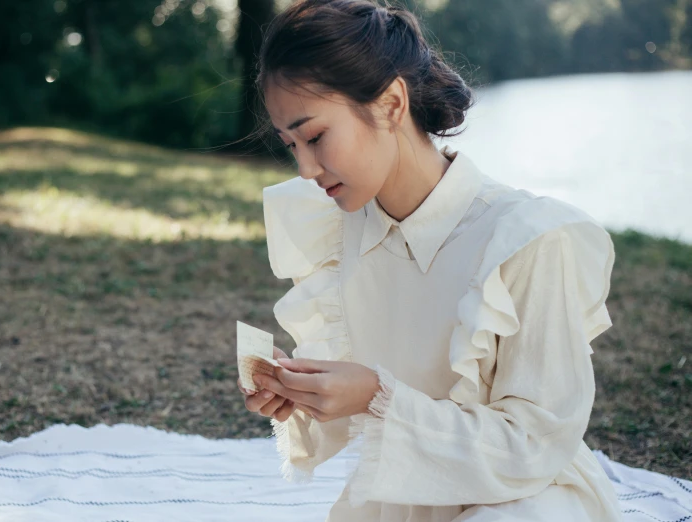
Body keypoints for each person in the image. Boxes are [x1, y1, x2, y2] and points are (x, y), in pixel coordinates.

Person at [235, 0, 623, 520]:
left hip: (526, 498)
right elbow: (362, 417)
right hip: (406, 499)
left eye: (316, 136)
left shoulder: (525, 238)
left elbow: (536, 444)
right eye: (290, 145)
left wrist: (378, 396)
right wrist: (302, 392)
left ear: (392, 104)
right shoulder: (336, 228)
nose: (305, 168)